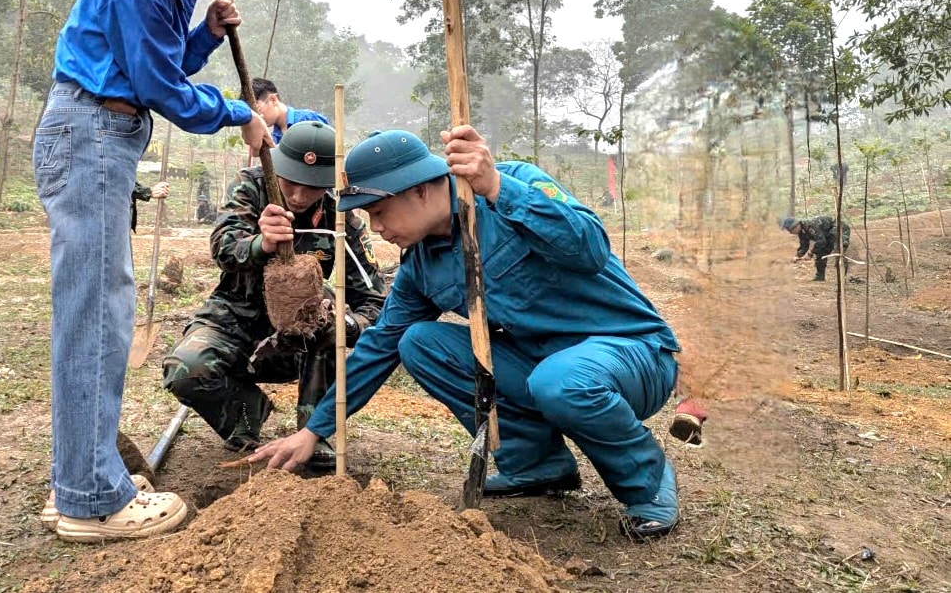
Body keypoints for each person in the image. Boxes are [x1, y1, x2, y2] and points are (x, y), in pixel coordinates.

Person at [251, 126, 683, 540]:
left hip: (632, 354)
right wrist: (315, 429)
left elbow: (590, 247)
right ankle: (537, 463)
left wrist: (496, 186)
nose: (377, 228)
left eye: (379, 212)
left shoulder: (512, 185)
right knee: (418, 342)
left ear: (419, 189)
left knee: (561, 381)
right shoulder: (421, 265)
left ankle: (647, 481)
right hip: (542, 369)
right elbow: (380, 346)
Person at [32, 0, 276, 543]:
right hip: (90, 141)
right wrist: (240, 114)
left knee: (97, 311)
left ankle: (83, 479)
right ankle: (90, 500)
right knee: (97, 318)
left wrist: (209, 34)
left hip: (101, 140)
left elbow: (161, 64)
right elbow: (160, 90)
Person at [163, 121, 386, 470]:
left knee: (330, 324)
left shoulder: (342, 221)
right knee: (185, 370)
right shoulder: (250, 187)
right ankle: (247, 418)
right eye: (290, 182)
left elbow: (374, 300)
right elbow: (223, 248)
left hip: (297, 336)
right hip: (233, 319)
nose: (298, 196)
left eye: (311, 187)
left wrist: (344, 323)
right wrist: (260, 243)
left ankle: (315, 433)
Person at [253, 77, 329, 145]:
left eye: (258, 111)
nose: (258, 116)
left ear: (273, 100)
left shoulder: (308, 118)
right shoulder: (274, 138)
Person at [781, 215, 851, 281]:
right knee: (821, 252)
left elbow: (821, 241)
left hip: (839, 227)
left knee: (838, 250)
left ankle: (842, 277)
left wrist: (811, 253)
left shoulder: (811, 225)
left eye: (791, 230)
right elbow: (804, 246)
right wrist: (797, 256)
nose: (791, 233)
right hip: (826, 234)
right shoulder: (802, 231)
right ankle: (820, 276)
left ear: (796, 226)